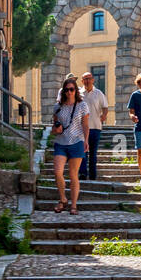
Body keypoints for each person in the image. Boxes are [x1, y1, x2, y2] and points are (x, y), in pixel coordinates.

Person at [51, 75, 90, 215]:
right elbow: (54, 126)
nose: (69, 92)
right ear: (63, 91)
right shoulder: (58, 107)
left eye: (72, 89)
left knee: (73, 175)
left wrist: (86, 140)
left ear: (76, 91)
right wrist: (56, 129)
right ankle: (62, 199)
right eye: (66, 90)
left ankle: (73, 205)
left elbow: (85, 125)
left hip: (76, 142)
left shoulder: (82, 106)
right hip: (61, 142)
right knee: (57, 172)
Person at [78, 71, 108, 182]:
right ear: (82, 81)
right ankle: (82, 173)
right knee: (82, 151)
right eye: (85, 79)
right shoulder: (78, 93)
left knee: (93, 153)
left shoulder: (99, 93)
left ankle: (92, 174)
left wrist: (104, 115)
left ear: (93, 80)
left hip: (95, 126)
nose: (87, 81)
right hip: (81, 128)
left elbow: (105, 107)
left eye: (89, 78)